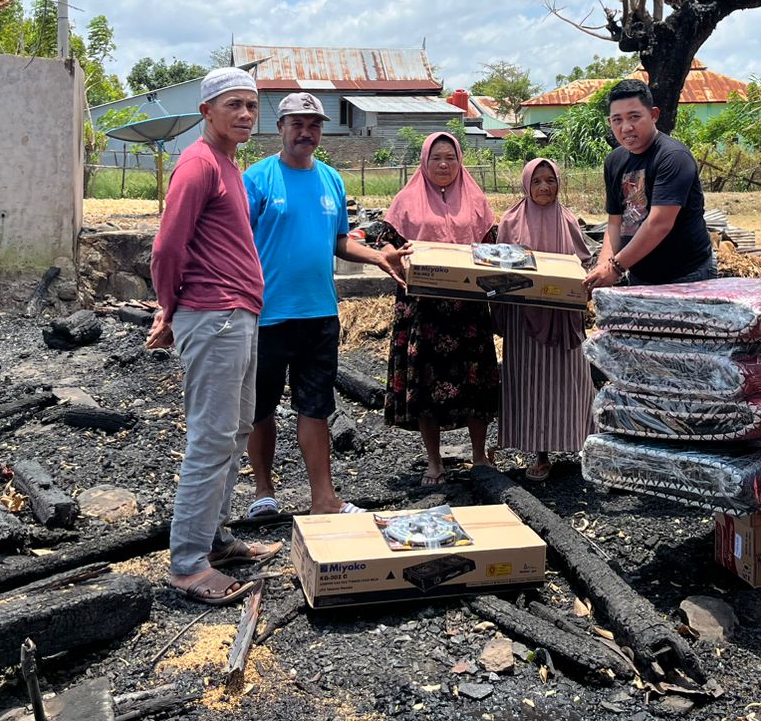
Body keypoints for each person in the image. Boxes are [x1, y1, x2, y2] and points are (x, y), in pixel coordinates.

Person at [146, 67, 278, 606]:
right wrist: (168, 308)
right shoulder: (198, 164)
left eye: (251, 105)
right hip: (215, 313)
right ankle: (187, 562)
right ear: (207, 112)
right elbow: (166, 248)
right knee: (210, 437)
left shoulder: (228, 164)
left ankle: (216, 537)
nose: (246, 114)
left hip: (238, 314)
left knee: (235, 429)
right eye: (234, 106)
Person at [242, 92, 407, 518]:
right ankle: (263, 491)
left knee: (315, 406)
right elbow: (237, 243)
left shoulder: (332, 180)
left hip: (319, 314)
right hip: (266, 315)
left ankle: (324, 499)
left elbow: (338, 241)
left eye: (313, 125)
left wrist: (377, 257)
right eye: (296, 123)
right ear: (279, 128)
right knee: (260, 407)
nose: (305, 132)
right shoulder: (257, 179)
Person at [380, 132, 500, 485]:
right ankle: (435, 462)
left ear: (460, 160)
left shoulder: (476, 199)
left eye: (451, 157)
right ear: (424, 162)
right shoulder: (405, 201)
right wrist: (397, 261)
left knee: (475, 381)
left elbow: (492, 248)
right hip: (423, 310)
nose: (444, 165)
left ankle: (479, 455)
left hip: (468, 308)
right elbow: (385, 247)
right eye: (436, 158)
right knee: (425, 384)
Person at [495, 158, 595, 482]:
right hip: (524, 320)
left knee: (571, 381)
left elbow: (584, 262)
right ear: (526, 184)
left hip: (561, 318)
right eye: (536, 180)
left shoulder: (567, 220)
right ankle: (539, 452)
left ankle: (582, 446)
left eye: (550, 180)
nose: (544, 187)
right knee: (531, 383)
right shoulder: (511, 221)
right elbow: (499, 268)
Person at [584, 80, 714, 291]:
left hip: (687, 276)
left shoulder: (673, 157)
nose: (626, 128)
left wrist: (615, 268)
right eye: (617, 120)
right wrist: (604, 264)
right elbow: (615, 222)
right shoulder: (614, 161)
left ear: (653, 115)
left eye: (634, 117)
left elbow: (659, 224)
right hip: (639, 274)